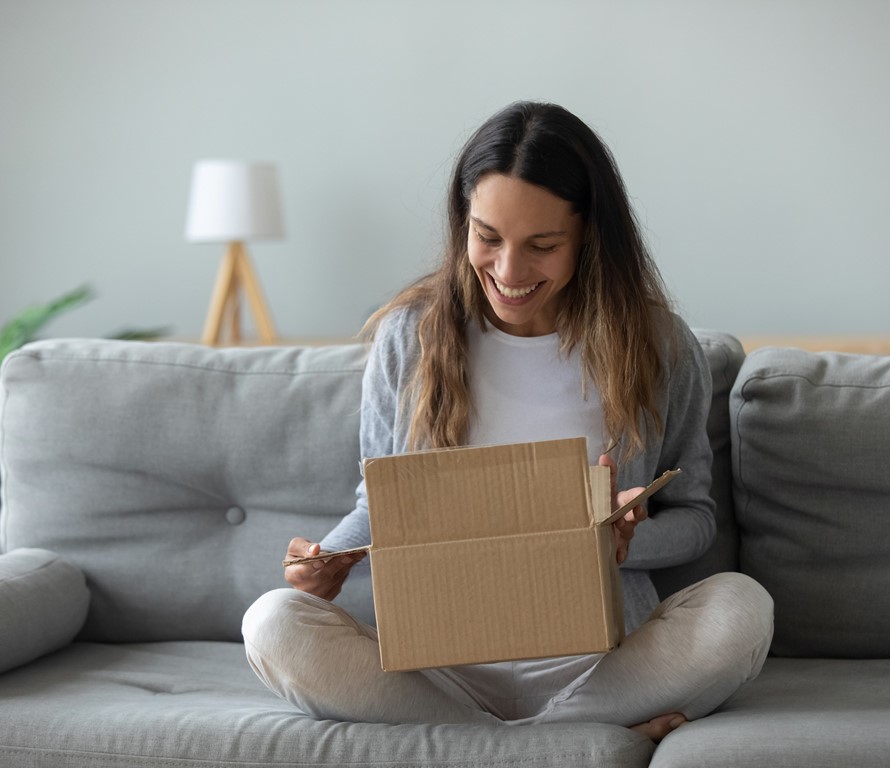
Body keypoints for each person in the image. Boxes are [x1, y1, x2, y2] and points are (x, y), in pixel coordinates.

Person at [242, 101, 773, 742]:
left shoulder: (658, 346)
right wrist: (329, 558)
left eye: (543, 247)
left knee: (744, 608)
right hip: (438, 669)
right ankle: (570, 741)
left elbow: (694, 519)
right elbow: (380, 502)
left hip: (601, 664)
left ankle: (481, 743)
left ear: (590, 238)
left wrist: (626, 540)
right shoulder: (410, 337)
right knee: (272, 621)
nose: (509, 273)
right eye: (487, 238)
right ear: (462, 222)